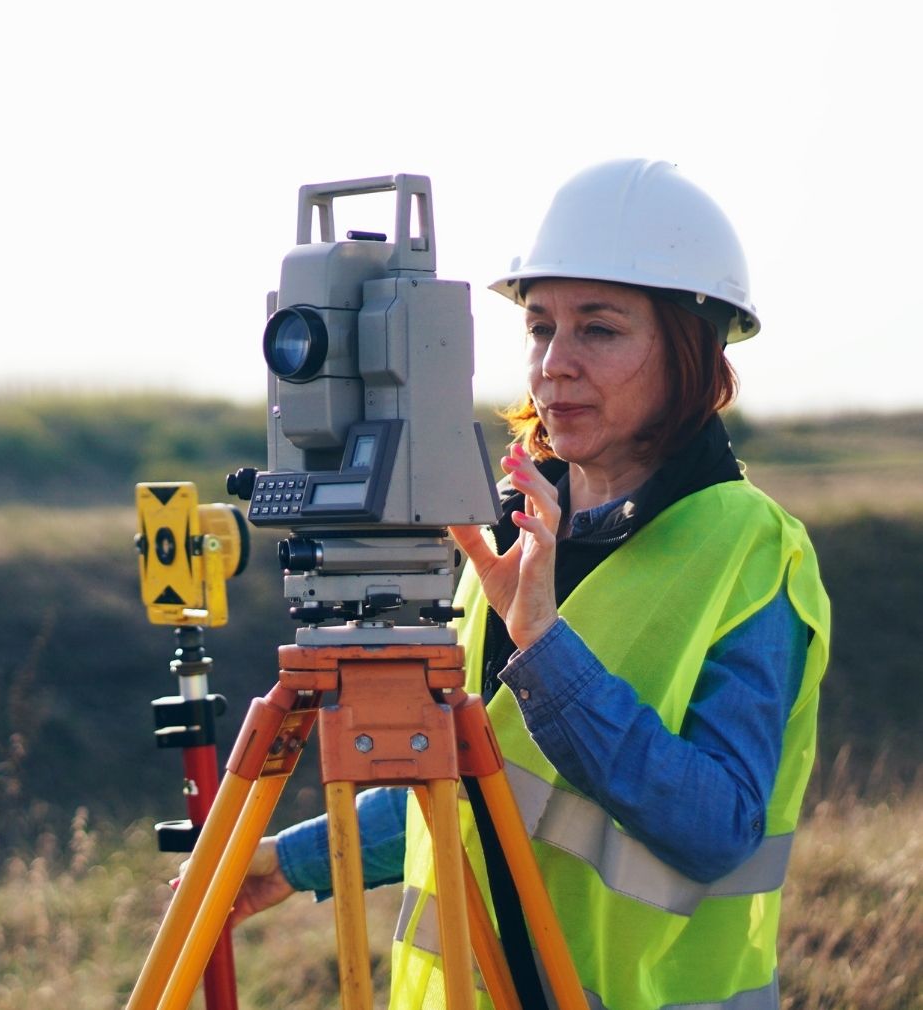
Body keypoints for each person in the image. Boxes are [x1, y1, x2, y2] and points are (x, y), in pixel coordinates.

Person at [206, 160, 832, 1010]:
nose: (556, 364)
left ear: (693, 350)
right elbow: (480, 786)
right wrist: (296, 860)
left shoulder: (749, 550)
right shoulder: (507, 531)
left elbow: (716, 828)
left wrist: (545, 650)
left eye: (599, 330)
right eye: (541, 328)